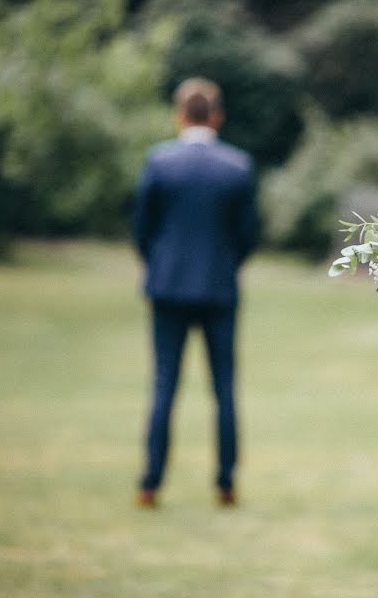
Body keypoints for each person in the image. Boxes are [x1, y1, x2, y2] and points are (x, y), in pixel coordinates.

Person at [132, 77, 260, 508]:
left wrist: (161, 267)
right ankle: (225, 483)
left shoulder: (159, 162)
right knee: (223, 387)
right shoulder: (237, 166)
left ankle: (150, 483)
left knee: (164, 384)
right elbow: (248, 234)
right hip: (220, 290)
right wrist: (225, 266)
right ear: (217, 117)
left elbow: (142, 229)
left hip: (167, 289)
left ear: (180, 114)